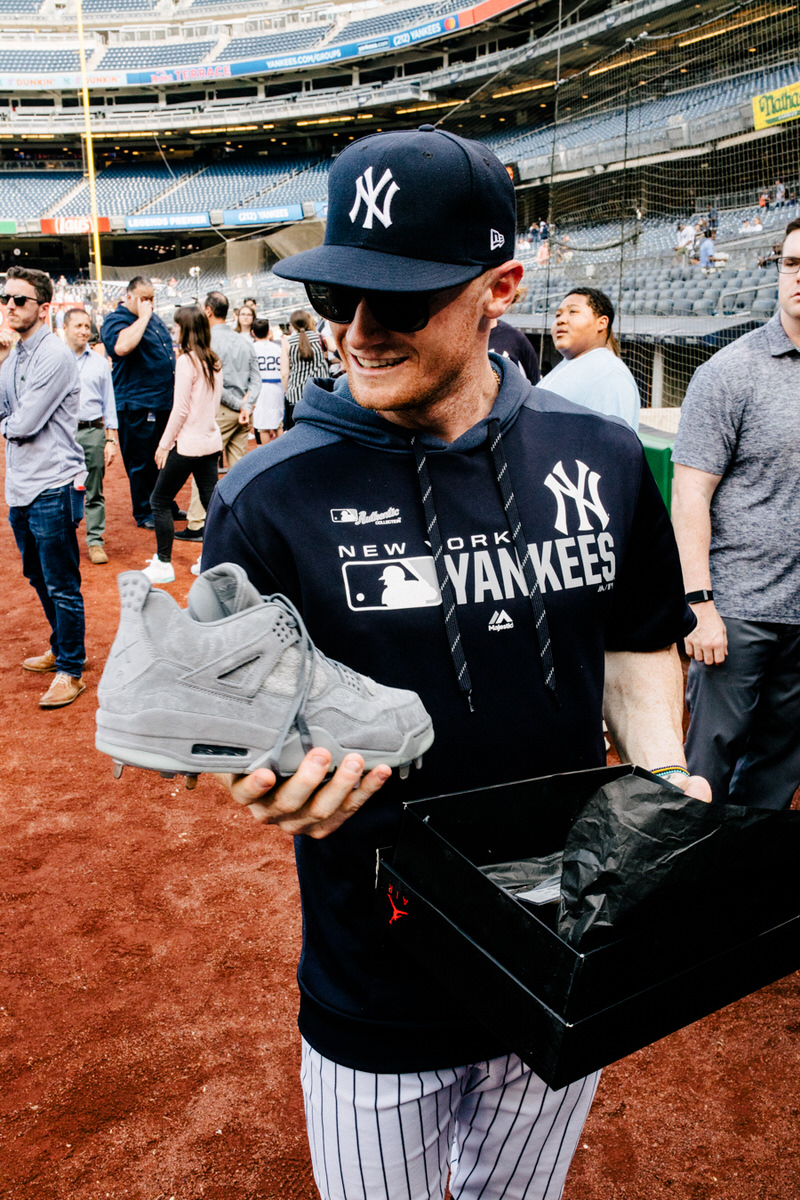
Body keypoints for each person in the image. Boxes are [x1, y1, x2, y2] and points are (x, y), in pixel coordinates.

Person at [201, 125, 707, 1200]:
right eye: (339, 298)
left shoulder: (602, 455)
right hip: (376, 974)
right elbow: (232, 706)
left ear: (500, 287)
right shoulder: (265, 496)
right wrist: (263, 764)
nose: (359, 332)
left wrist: (659, 765)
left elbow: (631, 637)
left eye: (402, 301)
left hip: (571, 935)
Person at [672, 217, 800, 811]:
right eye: (792, 264)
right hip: (739, 611)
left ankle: (744, 895)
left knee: (777, 772)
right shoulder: (728, 372)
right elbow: (690, 494)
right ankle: (679, 891)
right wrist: (699, 604)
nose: (798, 277)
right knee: (706, 773)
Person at [0, 266, 86, 708]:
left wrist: (7, 425)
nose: (10, 306)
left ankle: (72, 669)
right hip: (21, 486)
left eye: (20, 300)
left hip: (52, 485)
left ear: (44, 307)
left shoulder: (54, 354)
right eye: (6, 298)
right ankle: (61, 647)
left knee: (61, 583)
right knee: (36, 576)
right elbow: (7, 417)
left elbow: (25, 423)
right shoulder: (13, 356)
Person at [143, 305, 222, 585]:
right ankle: (210, 560)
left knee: (159, 500)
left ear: (187, 329)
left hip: (188, 445)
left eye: (176, 327)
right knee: (211, 504)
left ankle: (164, 563)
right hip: (210, 443)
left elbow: (180, 410)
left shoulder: (187, 362)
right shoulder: (214, 360)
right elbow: (212, 405)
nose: (173, 331)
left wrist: (164, 445)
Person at [179, 290, 261, 542]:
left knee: (203, 469)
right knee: (239, 470)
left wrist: (239, 405)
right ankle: (238, 522)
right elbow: (255, 378)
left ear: (208, 311)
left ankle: (197, 523)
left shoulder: (206, 343)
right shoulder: (244, 340)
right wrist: (247, 406)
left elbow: (213, 383)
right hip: (245, 413)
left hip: (220, 412)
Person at [100, 276, 177, 530]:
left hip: (162, 400)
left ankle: (165, 503)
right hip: (136, 404)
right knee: (141, 461)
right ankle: (145, 511)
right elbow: (121, 347)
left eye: (152, 299)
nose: (149, 304)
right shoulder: (117, 319)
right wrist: (143, 317)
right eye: (144, 299)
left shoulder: (154, 319)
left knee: (164, 458)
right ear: (129, 296)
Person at [63, 308, 118, 566]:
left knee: (93, 488)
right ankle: (63, 538)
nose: (84, 331)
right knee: (60, 489)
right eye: (79, 326)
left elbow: (109, 403)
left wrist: (110, 439)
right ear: (65, 328)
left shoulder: (99, 362)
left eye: (87, 326)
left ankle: (95, 541)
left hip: (93, 431)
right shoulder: (55, 361)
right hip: (62, 433)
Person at [545, 287, 640, 430]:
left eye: (573, 312)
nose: (561, 320)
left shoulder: (609, 375)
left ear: (601, 323)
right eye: (558, 315)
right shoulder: (569, 365)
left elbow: (609, 446)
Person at [280, 308, 328, 429]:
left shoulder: (288, 342)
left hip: (296, 396)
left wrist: (288, 391)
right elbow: (340, 353)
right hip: (320, 394)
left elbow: (284, 373)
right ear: (308, 322)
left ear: (292, 325)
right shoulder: (320, 338)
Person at [251, 318, 284, 442]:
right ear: (269, 331)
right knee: (278, 423)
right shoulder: (277, 347)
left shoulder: (251, 348)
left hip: (260, 388)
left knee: (263, 426)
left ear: (253, 332)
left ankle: (267, 456)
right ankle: (281, 454)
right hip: (277, 386)